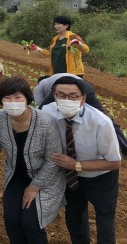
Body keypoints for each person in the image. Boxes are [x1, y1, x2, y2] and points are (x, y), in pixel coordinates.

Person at [0, 77, 66, 244]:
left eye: (18, 97)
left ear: (27, 98)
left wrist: (34, 187)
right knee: (11, 220)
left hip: (45, 178)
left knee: (31, 222)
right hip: (16, 176)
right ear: (1, 101)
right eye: (7, 98)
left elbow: (53, 160)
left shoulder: (45, 122)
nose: (13, 102)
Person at [42, 76, 121, 244]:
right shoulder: (46, 113)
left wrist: (76, 164)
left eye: (73, 96)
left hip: (101, 178)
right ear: (54, 96)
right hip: (70, 177)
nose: (66, 100)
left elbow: (115, 162)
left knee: (104, 218)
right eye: (61, 95)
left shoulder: (101, 123)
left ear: (83, 98)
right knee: (75, 218)